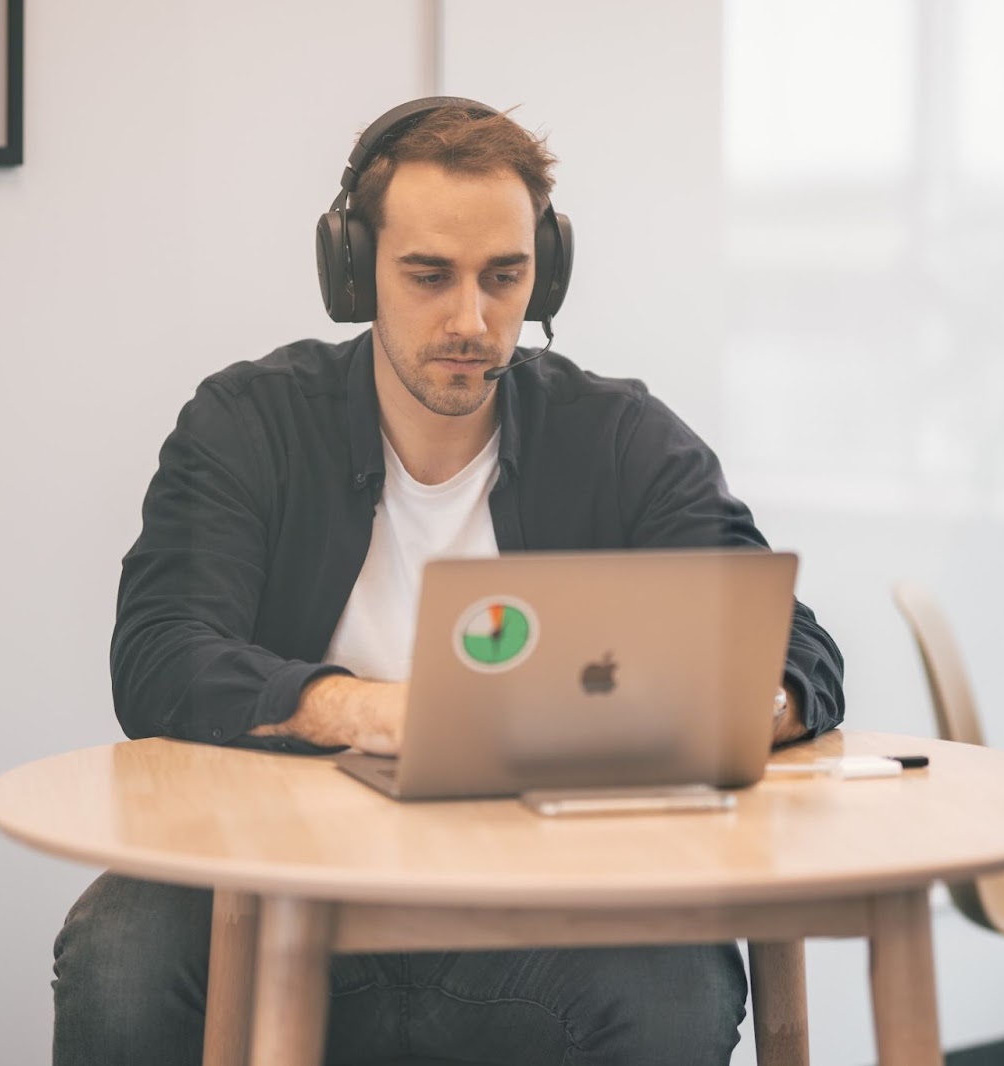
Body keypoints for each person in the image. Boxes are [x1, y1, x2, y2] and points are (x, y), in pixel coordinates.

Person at [52, 98, 845, 1066]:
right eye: (428, 275)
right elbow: (161, 656)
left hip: (540, 901)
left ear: (541, 272)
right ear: (354, 271)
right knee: (123, 947)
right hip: (282, 878)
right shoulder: (248, 421)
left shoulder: (620, 436)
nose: (470, 320)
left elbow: (791, 646)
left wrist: (738, 708)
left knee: (674, 984)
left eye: (503, 277)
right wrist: (375, 711)